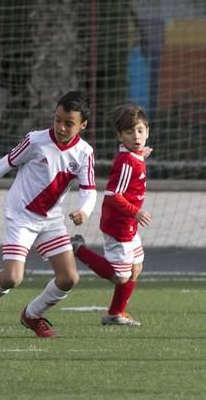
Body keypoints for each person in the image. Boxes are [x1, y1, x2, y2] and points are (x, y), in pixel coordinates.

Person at [0, 91, 96, 338]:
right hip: (20, 216)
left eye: (68, 123)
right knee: (13, 278)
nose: (60, 127)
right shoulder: (36, 141)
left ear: (83, 125)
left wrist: (84, 211)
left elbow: (89, 189)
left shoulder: (84, 153)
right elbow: (9, 161)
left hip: (51, 220)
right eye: (57, 119)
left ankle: (32, 314)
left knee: (69, 277)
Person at [71, 104, 151, 326]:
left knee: (136, 267)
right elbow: (113, 195)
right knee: (120, 276)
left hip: (128, 224)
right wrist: (135, 212)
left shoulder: (134, 155)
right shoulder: (126, 162)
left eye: (140, 131)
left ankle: (115, 313)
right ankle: (79, 249)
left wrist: (142, 153)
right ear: (120, 135)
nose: (136, 136)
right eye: (129, 132)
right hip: (119, 224)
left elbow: (135, 156)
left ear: (147, 132)